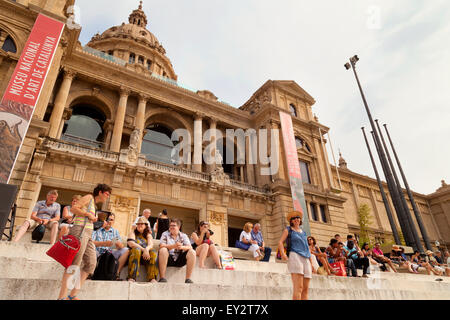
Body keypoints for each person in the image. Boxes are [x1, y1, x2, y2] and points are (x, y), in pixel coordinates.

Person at [57, 184, 112, 300]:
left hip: (88, 233)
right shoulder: (89, 197)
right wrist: (87, 214)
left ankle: (72, 295)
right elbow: (73, 209)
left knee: (91, 263)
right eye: (107, 194)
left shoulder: (95, 205)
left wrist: (94, 218)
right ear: (100, 192)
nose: (108, 196)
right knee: (74, 264)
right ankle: (61, 297)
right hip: (79, 230)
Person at [278, 211, 314, 301]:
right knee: (299, 287)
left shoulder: (304, 233)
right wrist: (283, 253)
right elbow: (280, 242)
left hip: (306, 258)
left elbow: (306, 248)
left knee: (305, 289)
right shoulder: (288, 230)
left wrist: (311, 263)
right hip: (295, 256)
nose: (296, 219)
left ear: (300, 219)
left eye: (297, 217)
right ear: (291, 221)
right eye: (293, 218)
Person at [92, 213, 129, 280]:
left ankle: (116, 274)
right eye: (108, 219)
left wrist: (119, 245)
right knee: (92, 251)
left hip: (110, 254)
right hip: (98, 252)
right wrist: (103, 243)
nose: (109, 221)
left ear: (113, 222)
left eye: (111, 220)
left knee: (125, 250)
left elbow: (121, 245)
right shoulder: (97, 229)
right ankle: (91, 273)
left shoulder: (115, 231)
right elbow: (91, 242)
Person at [158, 218, 196, 283]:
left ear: (178, 227)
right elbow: (161, 245)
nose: (171, 227)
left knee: (192, 252)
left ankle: (188, 279)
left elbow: (190, 247)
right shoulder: (165, 234)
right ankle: (162, 278)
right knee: (163, 250)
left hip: (179, 259)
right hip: (168, 258)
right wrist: (174, 246)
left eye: (174, 225)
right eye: (170, 225)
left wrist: (181, 247)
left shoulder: (183, 235)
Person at [127, 216, 158, 283]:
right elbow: (131, 243)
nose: (139, 225)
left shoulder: (148, 234)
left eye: (142, 224)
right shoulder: (133, 233)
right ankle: (132, 277)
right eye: (138, 224)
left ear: (145, 226)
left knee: (154, 252)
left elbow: (151, 244)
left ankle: (152, 278)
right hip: (134, 256)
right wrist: (144, 250)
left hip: (145, 257)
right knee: (137, 250)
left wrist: (147, 249)